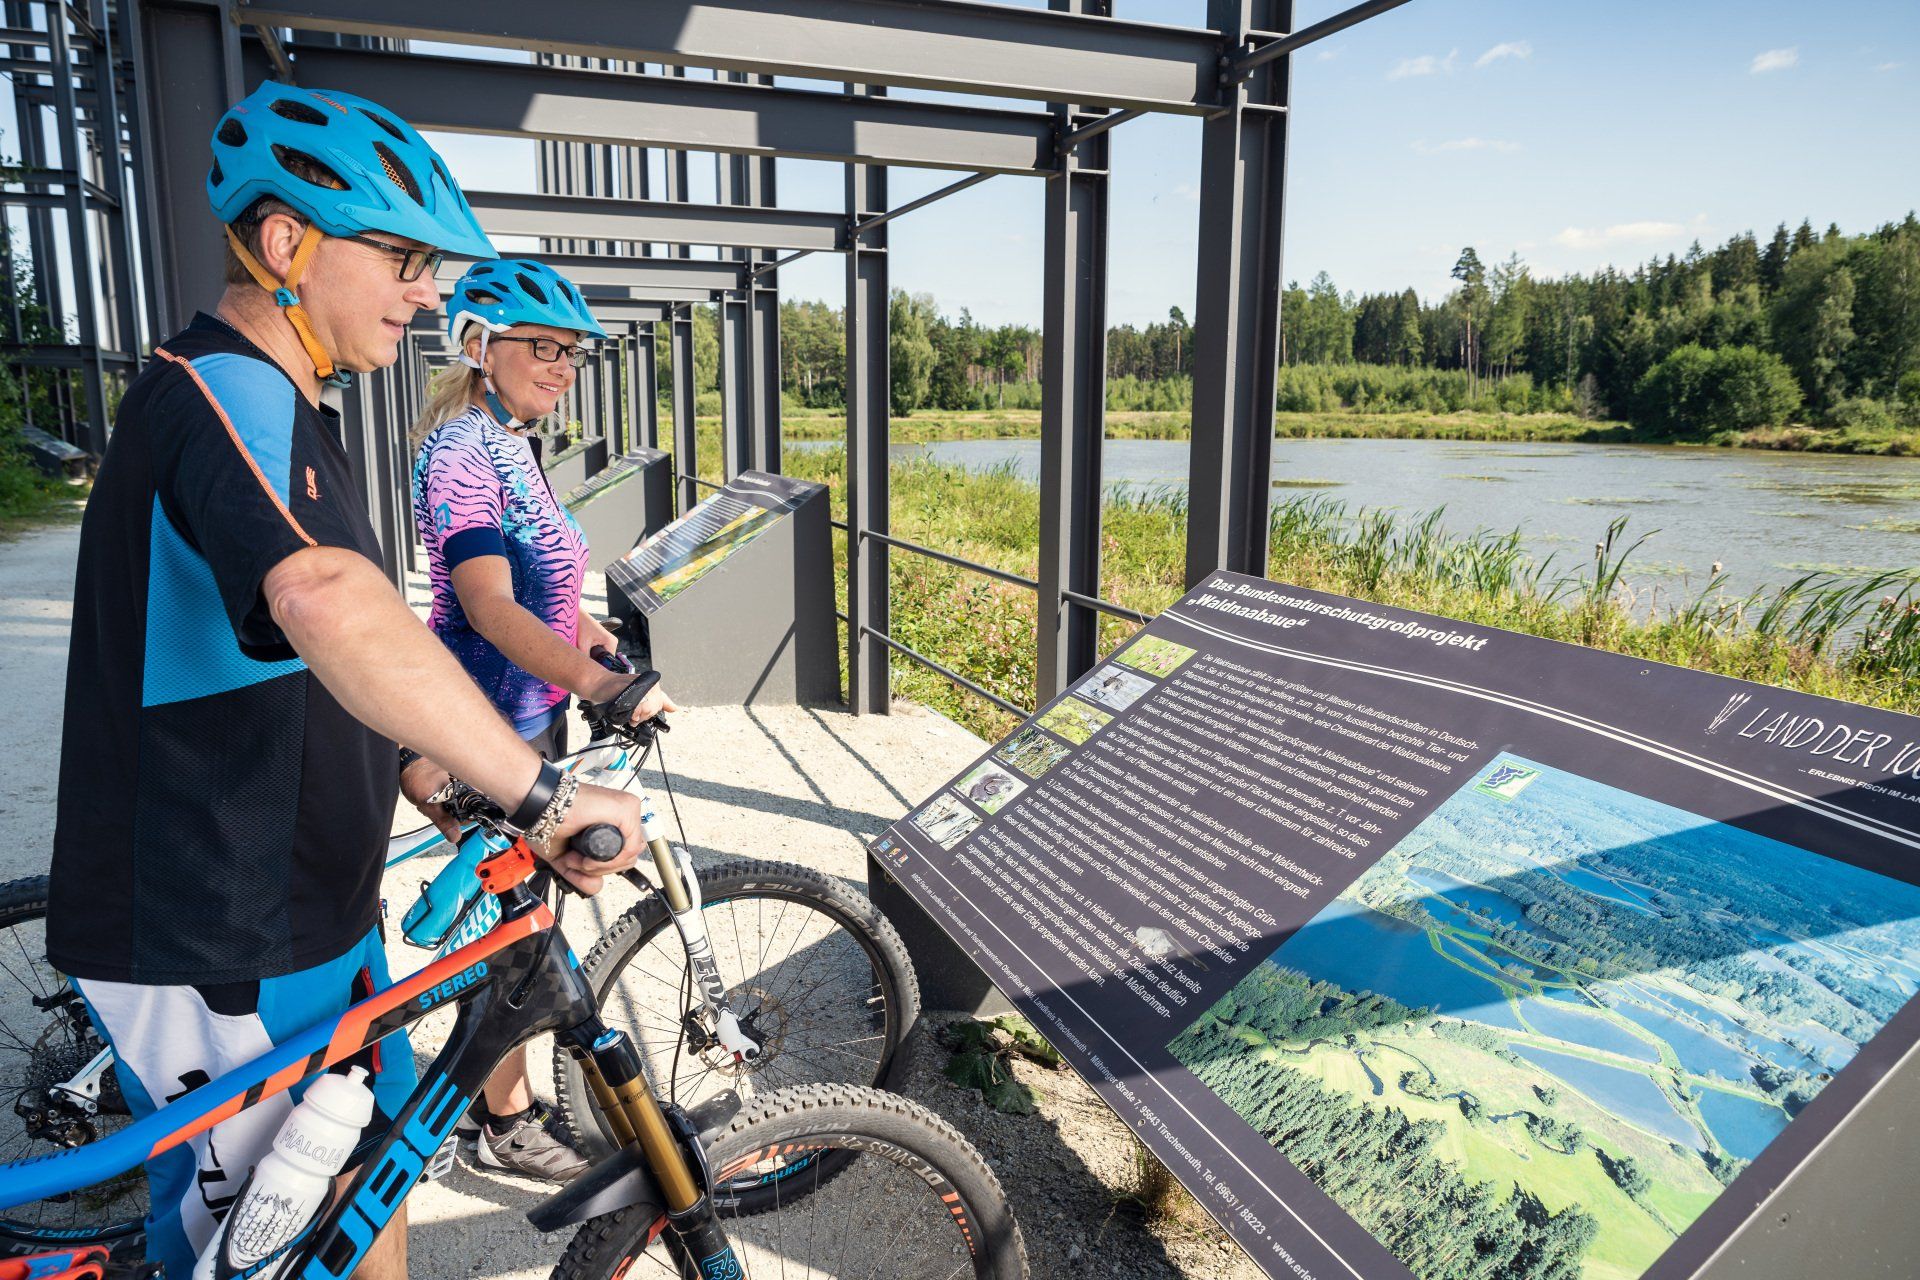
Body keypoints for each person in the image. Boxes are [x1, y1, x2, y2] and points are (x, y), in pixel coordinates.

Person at [45, 82, 655, 1280]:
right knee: (244, 1257)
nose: (430, 292)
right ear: (286, 245)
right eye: (403, 256)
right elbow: (324, 602)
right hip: (210, 921)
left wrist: (427, 771)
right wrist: (535, 788)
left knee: (355, 1195)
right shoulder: (223, 388)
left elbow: (294, 653)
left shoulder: (289, 404)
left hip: (297, 901)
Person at [407, 258, 681, 1178]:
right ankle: (503, 1119)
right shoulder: (460, 451)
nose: (564, 366)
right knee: (515, 920)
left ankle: (494, 1109)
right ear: (481, 347)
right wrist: (605, 690)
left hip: (527, 721)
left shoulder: (515, 443)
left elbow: (553, 591)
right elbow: (489, 604)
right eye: (545, 348)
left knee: (517, 918)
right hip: (469, 726)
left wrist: (607, 656)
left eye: (573, 353)